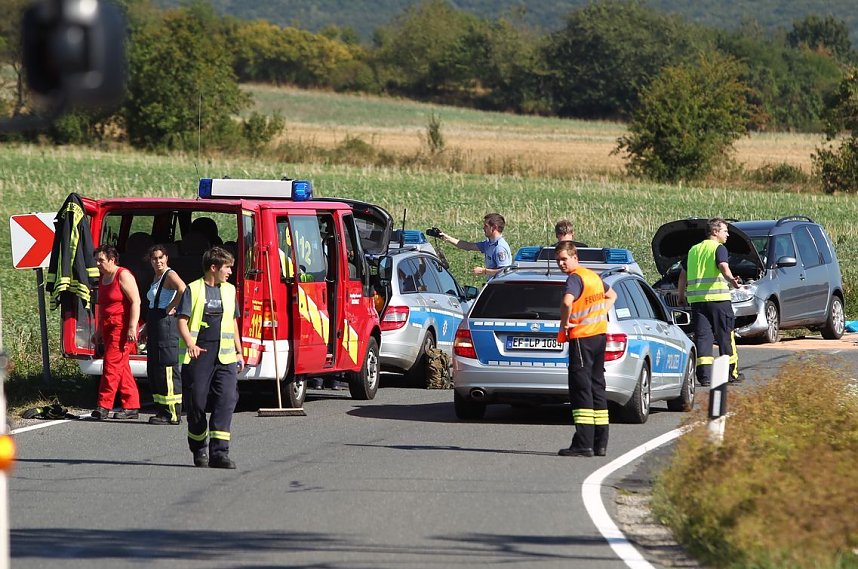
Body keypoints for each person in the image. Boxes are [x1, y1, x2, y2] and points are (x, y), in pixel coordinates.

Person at [176, 246, 244, 469]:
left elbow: (233, 322)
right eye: (227, 267)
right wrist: (190, 344)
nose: (230, 272)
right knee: (196, 403)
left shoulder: (229, 290)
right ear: (213, 268)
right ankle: (198, 447)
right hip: (199, 354)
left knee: (225, 401)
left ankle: (219, 453)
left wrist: (239, 351)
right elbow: (182, 320)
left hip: (224, 355)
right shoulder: (193, 289)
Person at [555, 241, 617, 457]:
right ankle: (600, 443)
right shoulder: (593, 276)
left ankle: (583, 444)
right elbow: (612, 296)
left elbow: (566, 302)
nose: (561, 264)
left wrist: (565, 322)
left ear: (575, 257)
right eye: (558, 261)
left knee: (581, 390)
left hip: (582, 338)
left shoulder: (575, 278)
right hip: (599, 336)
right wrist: (599, 316)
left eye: (564, 259)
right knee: (597, 387)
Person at [677, 218, 743, 387]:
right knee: (725, 336)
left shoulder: (693, 250)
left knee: (703, 338)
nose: (727, 234)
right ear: (715, 232)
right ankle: (730, 373)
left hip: (698, 302)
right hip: (719, 300)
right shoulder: (719, 248)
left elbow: (683, 274)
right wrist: (732, 281)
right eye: (725, 231)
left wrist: (680, 295)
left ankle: (705, 377)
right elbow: (723, 266)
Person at [91, 245, 142, 420]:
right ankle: (131, 405)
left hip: (122, 328)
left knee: (111, 366)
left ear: (112, 260)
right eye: (96, 260)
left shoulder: (123, 275)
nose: (98, 263)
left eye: (101, 260)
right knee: (121, 367)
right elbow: (103, 307)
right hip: (107, 326)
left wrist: (131, 327)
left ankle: (103, 405)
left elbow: (136, 301)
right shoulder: (103, 277)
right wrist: (98, 331)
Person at [141, 244, 186, 425]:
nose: (158, 261)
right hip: (155, 323)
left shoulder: (170, 275)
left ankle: (173, 413)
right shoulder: (157, 276)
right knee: (155, 369)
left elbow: (183, 289)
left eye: (161, 257)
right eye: (154, 258)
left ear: (166, 258)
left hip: (166, 325)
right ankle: (161, 411)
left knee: (167, 368)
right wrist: (145, 328)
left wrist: (172, 306)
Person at [437, 213, 511, 277]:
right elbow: (468, 246)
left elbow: (504, 272)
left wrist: (484, 271)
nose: (483, 228)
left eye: (486, 226)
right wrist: (446, 238)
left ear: (494, 227)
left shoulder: (499, 248)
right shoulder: (489, 244)